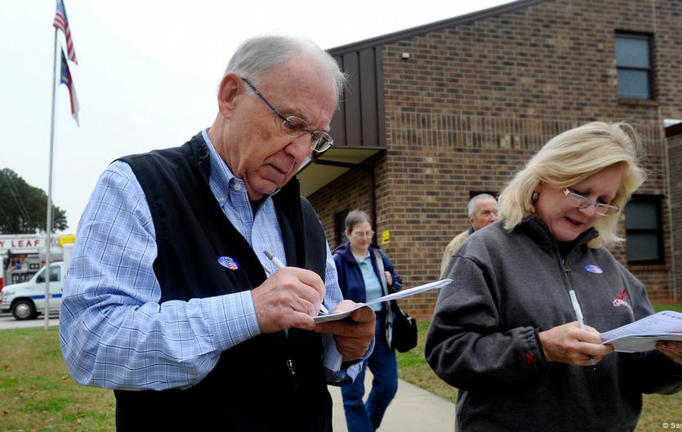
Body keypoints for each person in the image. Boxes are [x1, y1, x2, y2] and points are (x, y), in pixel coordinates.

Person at [59, 35, 376, 432]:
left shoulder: (304, 216)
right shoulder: (138, 188)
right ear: (230, 96)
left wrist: (345, 346)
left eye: (315, 137)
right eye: (292, 123)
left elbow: (318, 333)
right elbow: (91, 342)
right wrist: (249, 311)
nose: (300, 152)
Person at [425, 122, 682, 431]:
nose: (590, 210)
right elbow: (449, 352)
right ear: (541, 180)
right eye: (581, 192)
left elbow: (641, 373)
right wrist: (539, 348)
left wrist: (677, 354)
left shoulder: (609, 267)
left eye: (604, 200)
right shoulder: (483, 253)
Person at [333, 210, 402, 432]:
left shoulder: (379, 257)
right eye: (359, 234)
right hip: (353, 329)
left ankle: (365, 427)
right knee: (353, 393)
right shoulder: (338, 261)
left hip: (382, 327)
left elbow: (397, 282)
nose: (365, 238)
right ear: (347, 234)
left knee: (388, 386)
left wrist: (393, 281)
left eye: (368, 233)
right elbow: (332, 294)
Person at [439, 193, 499, 275]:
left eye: (496, 212)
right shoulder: (457, 245)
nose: (493, 218)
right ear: (472, 219)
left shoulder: (507, 240)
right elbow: (447, 282)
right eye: (486, 213)